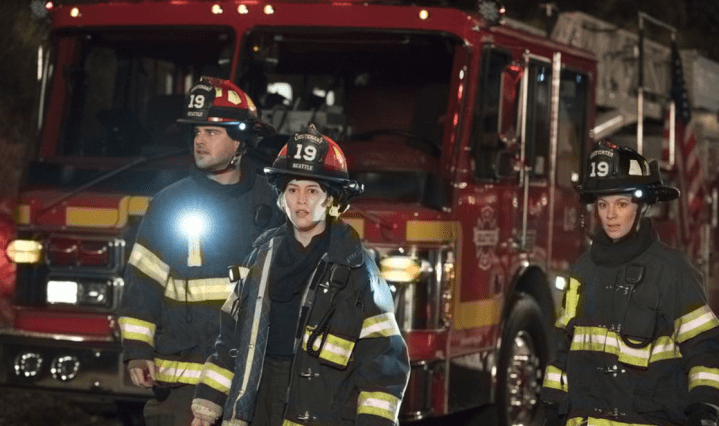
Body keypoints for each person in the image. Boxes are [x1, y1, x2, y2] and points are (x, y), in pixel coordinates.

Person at [190, 125, 410, 426]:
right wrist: (207, 405)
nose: (301, 200)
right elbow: (231, 339)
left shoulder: (357, 269)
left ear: (331, 200)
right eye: (292, 190)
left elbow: (383, 359)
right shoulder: (261, 256)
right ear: (282, 198)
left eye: (312, 190)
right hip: (258, 403)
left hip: (319, 409)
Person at [118, 76, 282, 426]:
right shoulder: (170, 203)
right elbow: (142, 283)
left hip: (252, 383)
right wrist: (137, 350)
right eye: (196, 132)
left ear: (240, 140)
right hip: (183, 384)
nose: (199, 140)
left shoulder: (274, 204)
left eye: (211, 132)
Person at [542, 140, 719, 426]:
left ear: (642, 207)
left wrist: (705, 408)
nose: (610, 215)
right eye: (603, 204)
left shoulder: (673, 271)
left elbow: (705, 348)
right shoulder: (582, 271)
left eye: (621, 204)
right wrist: (552, 405)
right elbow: (563, 345)